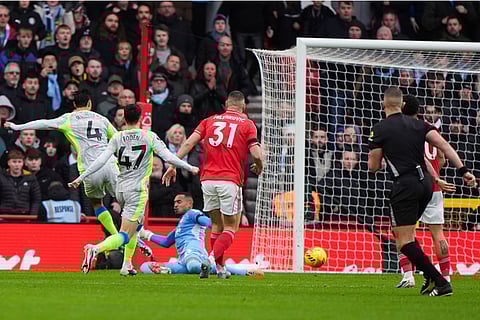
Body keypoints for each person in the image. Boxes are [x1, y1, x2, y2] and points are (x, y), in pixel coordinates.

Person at [368, 87, 476, 297]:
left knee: (404, 240)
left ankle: (439, 281)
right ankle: (431, 274)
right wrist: (464, 171)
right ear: (401, 104)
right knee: (410, 235)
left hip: (405, 185)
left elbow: (373, 165)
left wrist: (379, 158)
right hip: (427, 185)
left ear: (384, 104)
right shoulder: (420, 125)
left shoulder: (380, 128)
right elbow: (444, 145)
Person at [68, 104, 199, 276]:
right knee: (124, 235)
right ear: (140, 118)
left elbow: (100, 160)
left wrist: (81, 178)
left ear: (123, 119)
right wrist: (190, 167)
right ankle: (95, 249)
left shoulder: (117, 137)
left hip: (120, 189)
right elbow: (168, 157)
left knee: (136, 227)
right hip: (137, 190)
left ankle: (127, 265)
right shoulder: (149, 136)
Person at [162, 90, 263, 279]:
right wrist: (259, 166)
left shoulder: (209, 121)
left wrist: (173, 164)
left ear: (226, 104)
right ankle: (209, 259)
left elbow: (188, 143)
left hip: (207, 180)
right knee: (231, 228)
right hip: (230, 180)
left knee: (216, 225)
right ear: (243, 107)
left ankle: (220, 268)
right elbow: (256, 153)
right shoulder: (248, 124)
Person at [4, 91, 119, 238]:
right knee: (126, 202)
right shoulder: (102, 119)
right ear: (90, 104)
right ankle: (137, 236)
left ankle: (116, 236)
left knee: (97, 204)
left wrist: (17, 127)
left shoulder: (68, 119)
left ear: (74, 104)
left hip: (90, 168)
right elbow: (117, 138)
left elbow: (42, 123)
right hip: (109, 163)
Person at [395, 94, 456, 288]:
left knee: (405, 233)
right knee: (438, 234)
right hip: (435, 188)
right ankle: (445, 276)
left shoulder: (408, 132)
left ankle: (408, 276)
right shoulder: (432, 131)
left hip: (414, 185)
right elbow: (443, 158)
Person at [139, 192, 263, 277]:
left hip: (195, 254)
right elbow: (166, 242)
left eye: (179, 202)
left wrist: (216, 225)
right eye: (174, 203)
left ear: (189, 204)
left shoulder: (193, 213)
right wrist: (146, 234)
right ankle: (167, 270)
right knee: (144, 267)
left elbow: (210, 223)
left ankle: (244, 270)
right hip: (183, 260)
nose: (175, 205)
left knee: (193, 267)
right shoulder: (181, 225)